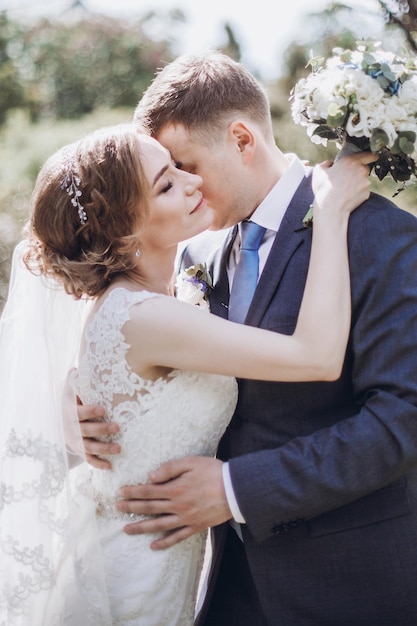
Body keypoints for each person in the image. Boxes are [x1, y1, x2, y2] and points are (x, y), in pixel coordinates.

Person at [78, 52, 417, 626]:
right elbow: (124, 347)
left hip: (350, 586)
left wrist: (237, 490)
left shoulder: (379, 233)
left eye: (186, 164)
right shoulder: (194, 250)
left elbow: (402, 417)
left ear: (240, 139)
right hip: (222, 592)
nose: (182, 185)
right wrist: (80, 402)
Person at [0, 121, 372, 626]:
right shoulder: (144, 317)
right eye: (167, 184)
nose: (192, 181)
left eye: (179, 166)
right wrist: (330, 211)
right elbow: (316, 357)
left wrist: (72, 391)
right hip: (132, 574)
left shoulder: (149, 301)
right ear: (124, 229)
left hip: (161, 562)